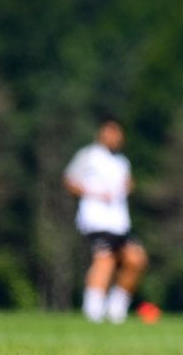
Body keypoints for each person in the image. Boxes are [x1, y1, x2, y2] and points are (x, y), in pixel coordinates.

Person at [63, 117, 147, 323]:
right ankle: (93, 309)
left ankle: (116, 307)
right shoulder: (88, 155)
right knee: (105, 259)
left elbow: (127, 184)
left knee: (136, 259)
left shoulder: (122, 161)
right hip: (96, 219)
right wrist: (94, 193)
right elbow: (70, 180)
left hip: (119, 221)